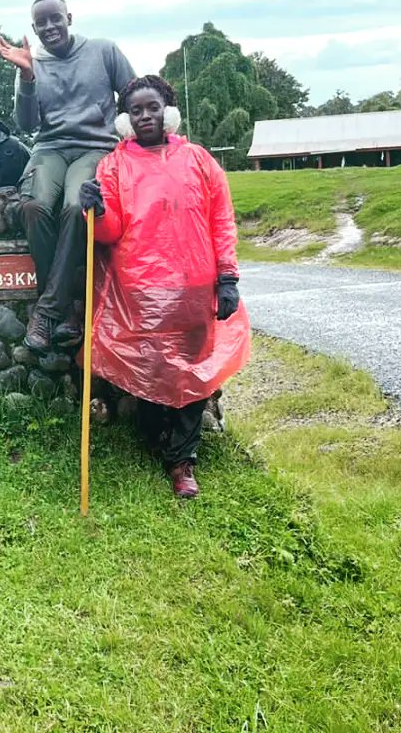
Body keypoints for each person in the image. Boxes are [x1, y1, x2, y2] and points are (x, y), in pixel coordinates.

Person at [79, 75, 249, 498]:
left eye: (152, 107)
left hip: (195, 286)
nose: (145, 116)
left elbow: (221, 219)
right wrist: (95, 211)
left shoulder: (199, 159)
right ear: (125, 119)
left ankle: (182, 460)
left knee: (195, 371)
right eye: (135, 110)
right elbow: (110, 232)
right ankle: (155, 438)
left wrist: (227, 277)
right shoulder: (113, 166)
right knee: (151, 370)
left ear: (167, 111)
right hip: (141, 290)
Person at [0, 0, 134, 353]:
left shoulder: (103, 50)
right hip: (50, 148)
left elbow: (134, 96)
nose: (50, 27)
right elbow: (26, 125)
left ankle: (47, 312)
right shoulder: (33, 62)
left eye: (55, 18)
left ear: (68, 18)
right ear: (34, 27)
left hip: (95, 146)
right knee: (33, 206)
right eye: (41, 23)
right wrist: (26, 76)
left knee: (76, 208)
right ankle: (67, 309)